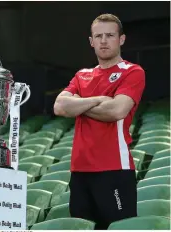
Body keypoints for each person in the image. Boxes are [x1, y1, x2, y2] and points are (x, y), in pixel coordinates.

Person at [53, 13, 145, 229]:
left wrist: (78, 105)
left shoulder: (132, 72)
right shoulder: (81, 75)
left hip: (114, 169)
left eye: (110, 35)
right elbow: (59, 107)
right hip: (79, 171)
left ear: (121, 39)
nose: (104, 41)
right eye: (99, 36)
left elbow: (116, 111)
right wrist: (97, 101)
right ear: (91, 41)